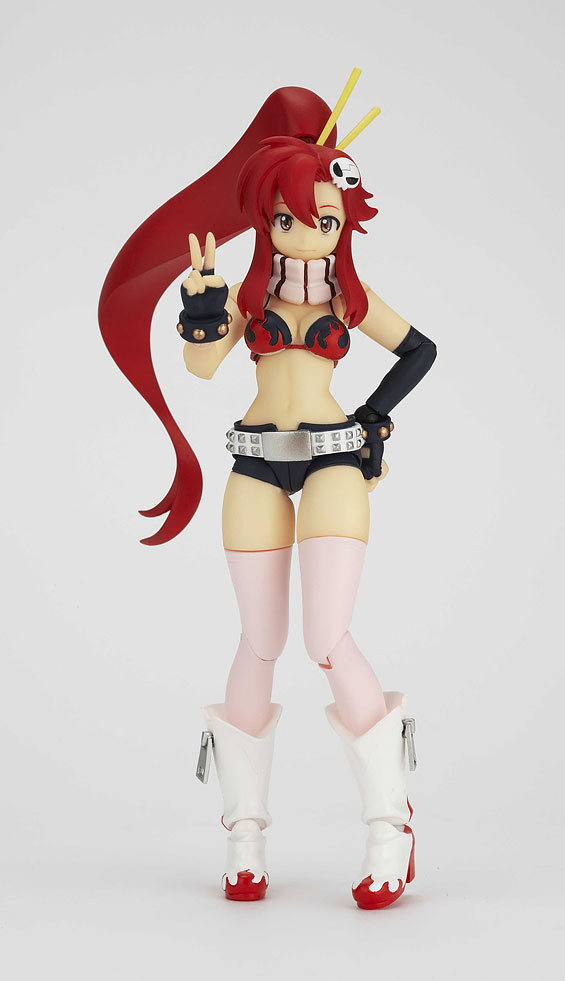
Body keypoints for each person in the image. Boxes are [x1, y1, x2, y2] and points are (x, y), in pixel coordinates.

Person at [99, 71, 436, 910]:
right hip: (253, 459)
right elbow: (201, 365)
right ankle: (243, 833)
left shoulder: (350, 299)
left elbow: (420, 350)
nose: (306, 233)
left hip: (332, 461)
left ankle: (390, 822)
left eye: (323, 219)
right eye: (287, 218)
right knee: (259, 641)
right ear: (265, 219)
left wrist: (373, 420)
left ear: (343, 221)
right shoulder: (251, 298)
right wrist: (202, 302)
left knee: (326, 636)